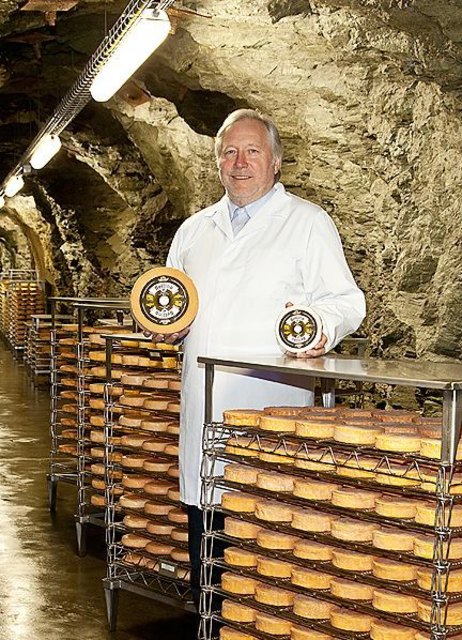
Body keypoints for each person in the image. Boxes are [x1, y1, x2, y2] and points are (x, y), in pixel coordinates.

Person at [161, 109, 366, 609]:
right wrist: (164, 325)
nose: (240, 162)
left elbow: (347, 301)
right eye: (229, 152)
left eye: (252, 151)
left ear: (275, 162)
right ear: (217, 164)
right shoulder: (194, 230)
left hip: (270, 414)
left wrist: (321, 326)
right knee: (208, 560)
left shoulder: (307, 223)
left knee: (268, 562)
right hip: (204, 414)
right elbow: (169, 301)